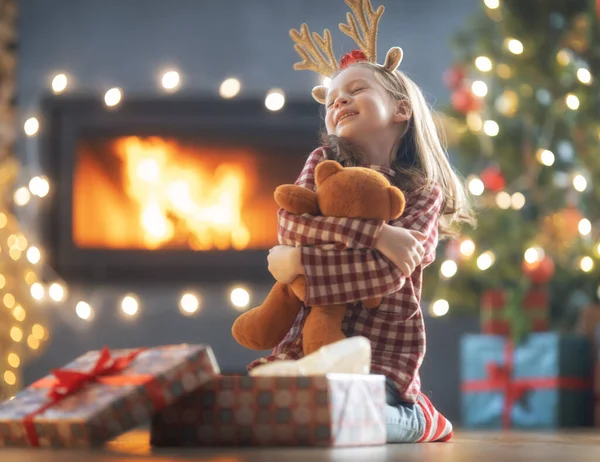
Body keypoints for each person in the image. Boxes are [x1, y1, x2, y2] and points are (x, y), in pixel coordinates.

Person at [247, 0, 476, 443]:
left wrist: (300, 263)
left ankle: (419, 417)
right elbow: (290, 229)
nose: (340, 101)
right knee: (264, 410)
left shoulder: (423, 191)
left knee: (336, 416)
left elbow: (384, 272)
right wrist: (376, 234)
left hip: (380, 359)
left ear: (400, 110)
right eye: (332, 99)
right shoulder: (320, 162)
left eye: (355, 89)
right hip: (303, 350)